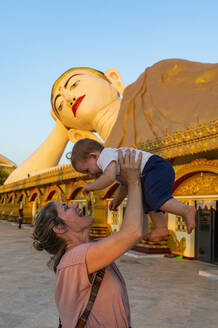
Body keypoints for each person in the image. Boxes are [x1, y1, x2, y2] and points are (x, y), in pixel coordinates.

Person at [33, 150, 144, 328]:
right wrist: (133, 181)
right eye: (66, 207)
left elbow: (137, 232)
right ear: (60, 228)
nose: (75, 204)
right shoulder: (76, 258)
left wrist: (130, 187)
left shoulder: (88, 250)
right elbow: (133, 232)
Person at [70, 138, 196, 242]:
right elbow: (125, 184)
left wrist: (91, 186)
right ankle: (161, 228)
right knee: (147, 200)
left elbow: (109, 178)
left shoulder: (105, 156)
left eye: (87, 170)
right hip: (150, 172)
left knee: (154, 198)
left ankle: (186, 210)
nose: (90, 175)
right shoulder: (112, 162)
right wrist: (117, 199)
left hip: (155, 167)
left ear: (94, 156)